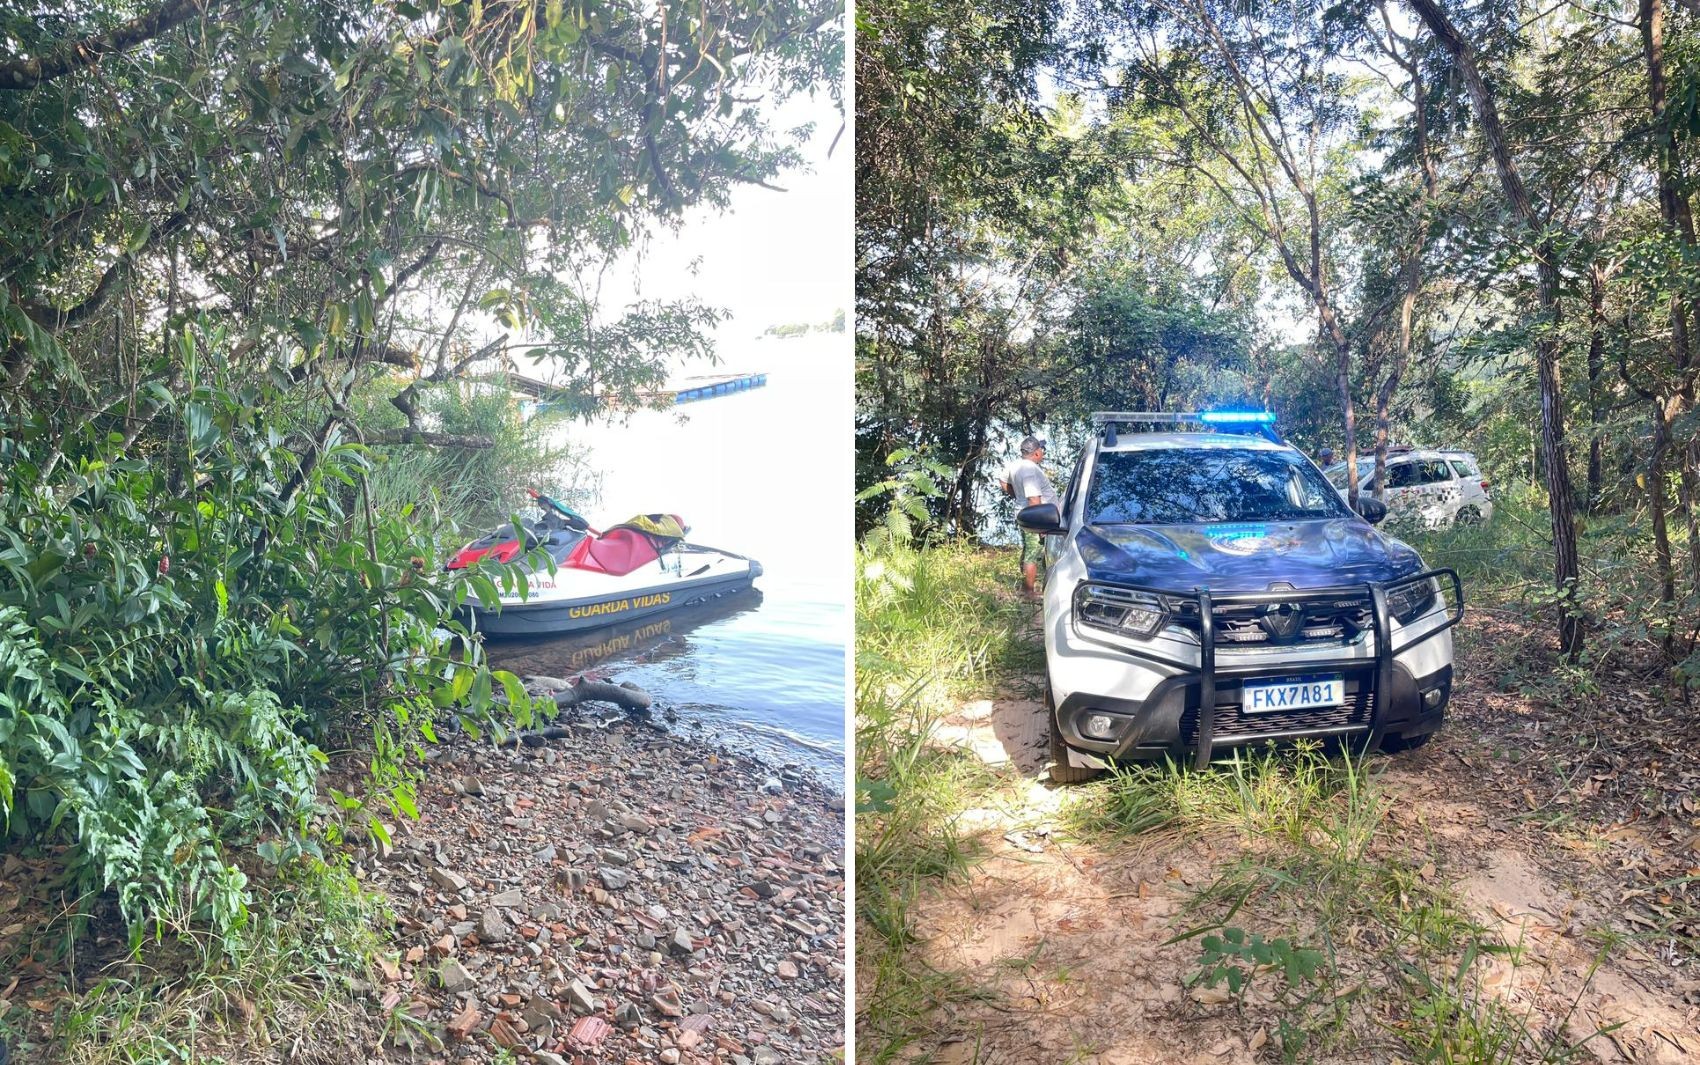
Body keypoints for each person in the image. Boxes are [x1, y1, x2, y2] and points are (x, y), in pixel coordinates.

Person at [1003, 435, 1059, 598]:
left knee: (1029, 549)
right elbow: (1034, 498)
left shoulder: (1016, 465)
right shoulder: (1030, 470)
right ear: (1035, 453)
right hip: (1035, 516)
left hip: (1024, 512)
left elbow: (1003, 482)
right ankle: (1028, 591)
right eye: (1041, 449)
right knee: (1033, 552)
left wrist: (1017, 498)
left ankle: (1027, 587)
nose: (1043, 452)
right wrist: (1039, 523)